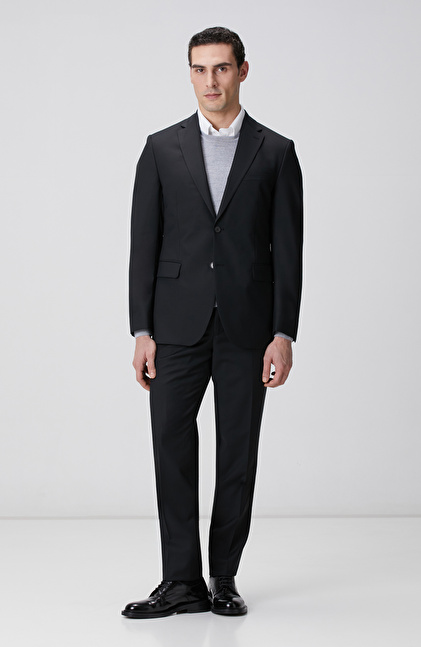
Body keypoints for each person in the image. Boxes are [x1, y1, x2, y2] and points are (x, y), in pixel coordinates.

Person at [122, 26, 303, 619]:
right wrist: (141, 330)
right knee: (170, 447)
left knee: (237, 454)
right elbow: (143, 246)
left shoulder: (276, 152)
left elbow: (288, 251)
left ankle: (223, 577)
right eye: (199, 69)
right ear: (190, 74)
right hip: (176, 326)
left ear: (242, 71)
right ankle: (181, 581)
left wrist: (283, 333)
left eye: (221, 68)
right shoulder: (160, 148)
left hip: (248, 329)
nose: (210, 81)